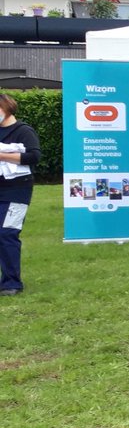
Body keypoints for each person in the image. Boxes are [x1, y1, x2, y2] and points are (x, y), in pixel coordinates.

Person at [0, 94, 41, 296]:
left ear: (6, 108)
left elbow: (34, 156)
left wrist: (2, 155)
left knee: (7, 233)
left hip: (17, 191)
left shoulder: (23, 131)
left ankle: (12, 283)